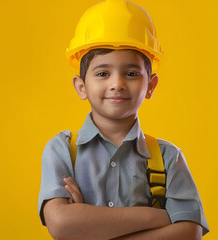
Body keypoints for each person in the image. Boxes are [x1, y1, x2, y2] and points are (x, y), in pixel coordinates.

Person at [37, 0, 210, 239]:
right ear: (81, 86)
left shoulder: (169, 158)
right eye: (102, 73)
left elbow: (189, 233)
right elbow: (61, 224)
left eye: (131, 73)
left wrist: (88, 223)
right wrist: (156, 217)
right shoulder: (62, 150)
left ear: (150, 86)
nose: (117, 83)